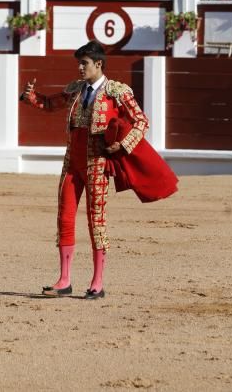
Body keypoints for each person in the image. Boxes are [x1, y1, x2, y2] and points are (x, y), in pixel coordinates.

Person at [21, 40, 177, 298]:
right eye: (79, 63)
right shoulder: (75, 89)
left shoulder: (117, 91)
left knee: (96, 220)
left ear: (98, 64)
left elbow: (141, 121)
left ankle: (97, 282)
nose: (80, 68)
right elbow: (49, 104)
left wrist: (123, 145)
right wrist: (31, 97)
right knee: (65, 216)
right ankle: (64, 279)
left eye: (84, 63)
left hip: (97, 164)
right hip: (72, 163)